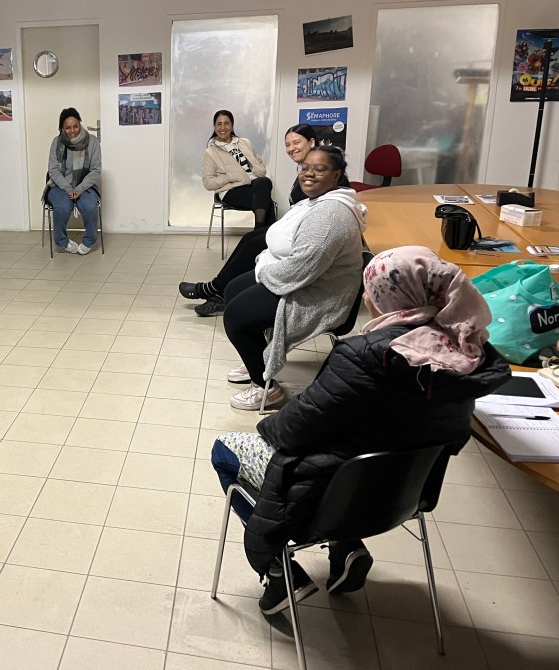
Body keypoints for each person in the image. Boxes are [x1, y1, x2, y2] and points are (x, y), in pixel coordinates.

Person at [210, 245, 511, 616]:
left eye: (374, 291)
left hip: (329, 489)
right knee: (362, 447)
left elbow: (291, 431)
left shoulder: (365, 356)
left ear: (396, 299)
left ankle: (278, 570)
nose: (367, 298)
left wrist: (266, 425)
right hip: (405, 492)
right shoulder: (466, 354)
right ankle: (345, 546)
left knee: (225, 449)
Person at [222, 146, 366, 410]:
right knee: (233, 289)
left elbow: (300, 269)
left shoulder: (330, 214)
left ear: (336, 175)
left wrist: (263, 270)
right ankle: (257, 362)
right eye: (305, 167)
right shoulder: (315, 201)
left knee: (236, 316)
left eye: (319, 169)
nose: (308, 174)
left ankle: (266, 389)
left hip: (319, 294)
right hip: (301, 277)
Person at [181, 124, 354, 317]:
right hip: (291, 225)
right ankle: (216, 290)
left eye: (296, 142)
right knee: (250, 238)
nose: (291, 148)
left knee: (254, 238)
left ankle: (213, 290)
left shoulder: (322, 176)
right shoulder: (304, 171)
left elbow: (261, 171)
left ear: (312, 142)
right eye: (287, 144)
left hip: (303, 236)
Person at [202, 110, 274, 230]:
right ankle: (262, 235)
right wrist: (229, 177)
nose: (223, 127)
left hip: (254, 184)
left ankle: (257, 234)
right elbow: (208, 183)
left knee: (265, 182)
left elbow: (259, 163)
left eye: (226, 123)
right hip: (231, 190)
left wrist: (257, 170)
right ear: (214, 127)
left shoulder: (245, 142)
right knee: (267, 203)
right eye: (219, 124)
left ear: (232, 126)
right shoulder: (211, 152)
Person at [47, 107, 102, 254]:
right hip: (60, 185)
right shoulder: (56, 142)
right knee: (62, 207)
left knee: (90, 206)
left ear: (80, 124)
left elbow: (95, 170)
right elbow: (53, 170)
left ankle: (89, 240)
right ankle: (62, 241)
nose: (72, 130)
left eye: (75, 126)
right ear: (61, 128)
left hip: (85, 185)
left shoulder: (92, 141)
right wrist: (68, 189)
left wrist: (79, 189)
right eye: (68, 127)